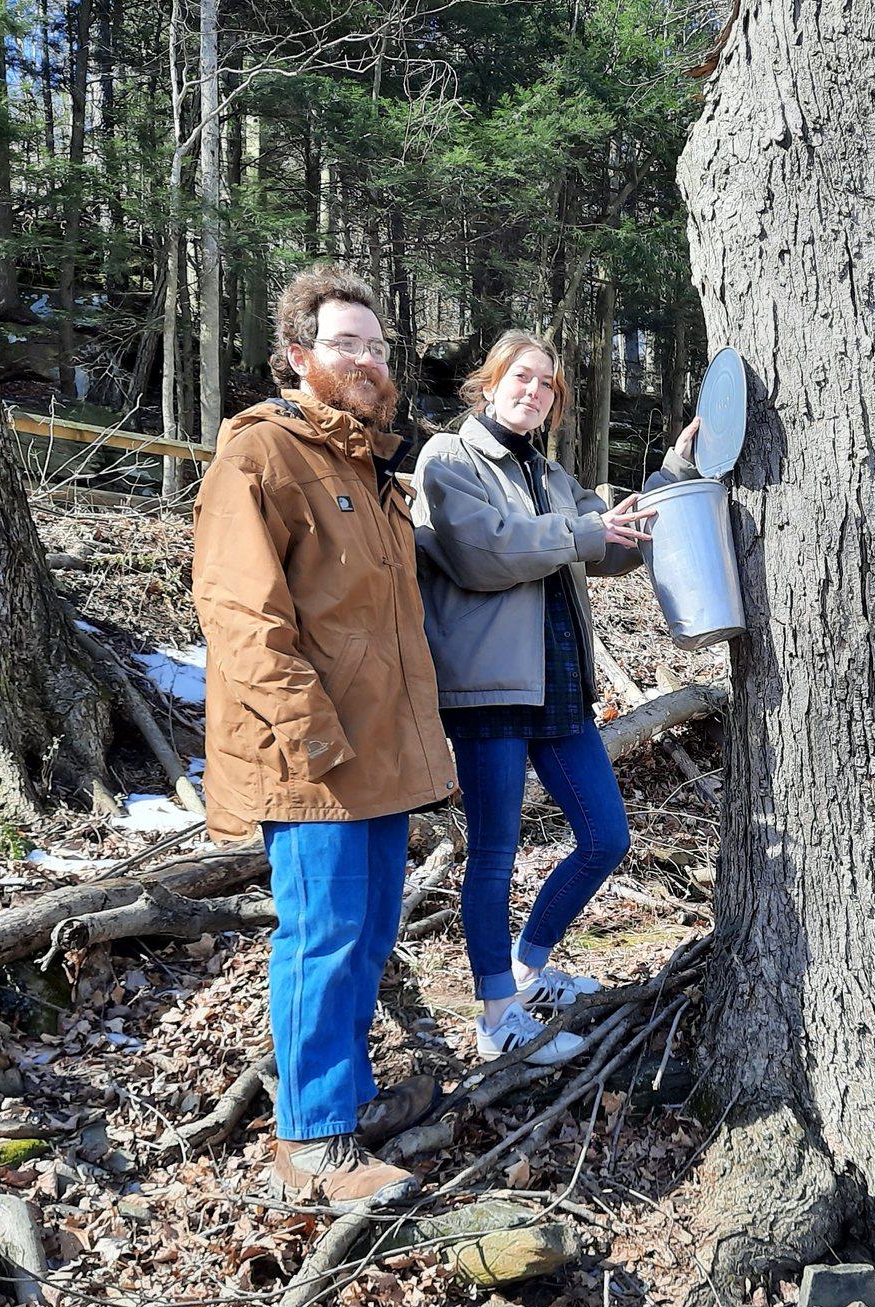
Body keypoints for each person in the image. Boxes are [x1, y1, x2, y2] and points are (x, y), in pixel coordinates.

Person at [192, 264, 455, 1213]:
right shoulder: (261, 458)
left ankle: (345, 1101)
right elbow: (239, 614)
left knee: (372, 932)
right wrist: (309, 737)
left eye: (377, 346)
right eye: (347, 343)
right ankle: (310, 1141)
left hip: (380, 754)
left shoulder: (371, 472)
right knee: (326, 936)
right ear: (298, 356)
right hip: (315, 759)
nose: (367, 360)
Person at [415, 330, 698, 1064]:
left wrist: (674, 475)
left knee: (607, 837)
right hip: (490, 690)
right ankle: (495, 1017)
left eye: (547, 385)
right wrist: (583, 527)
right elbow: (484, 552)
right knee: (496, 854)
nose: (534, 391)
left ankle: (527, 969)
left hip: (560, 684)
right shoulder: (450, 459)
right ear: (489, 383)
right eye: (522, 377)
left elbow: (611, 543)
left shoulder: (548, 471)